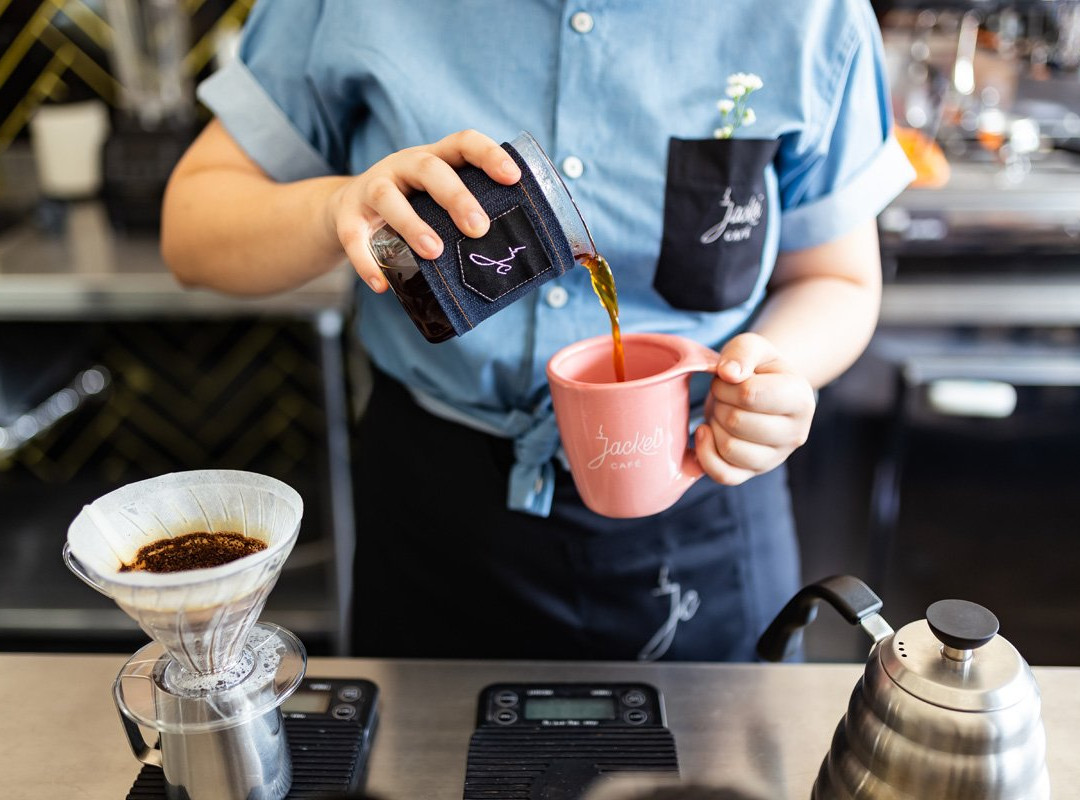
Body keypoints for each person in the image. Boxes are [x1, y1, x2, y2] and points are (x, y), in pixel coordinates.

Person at [160, 0, 914, 662]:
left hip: (700, 498)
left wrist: (775, 370)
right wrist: (336, 208)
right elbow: (192, 228)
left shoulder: (810, 14)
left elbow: (837, 278)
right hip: (439, 509)